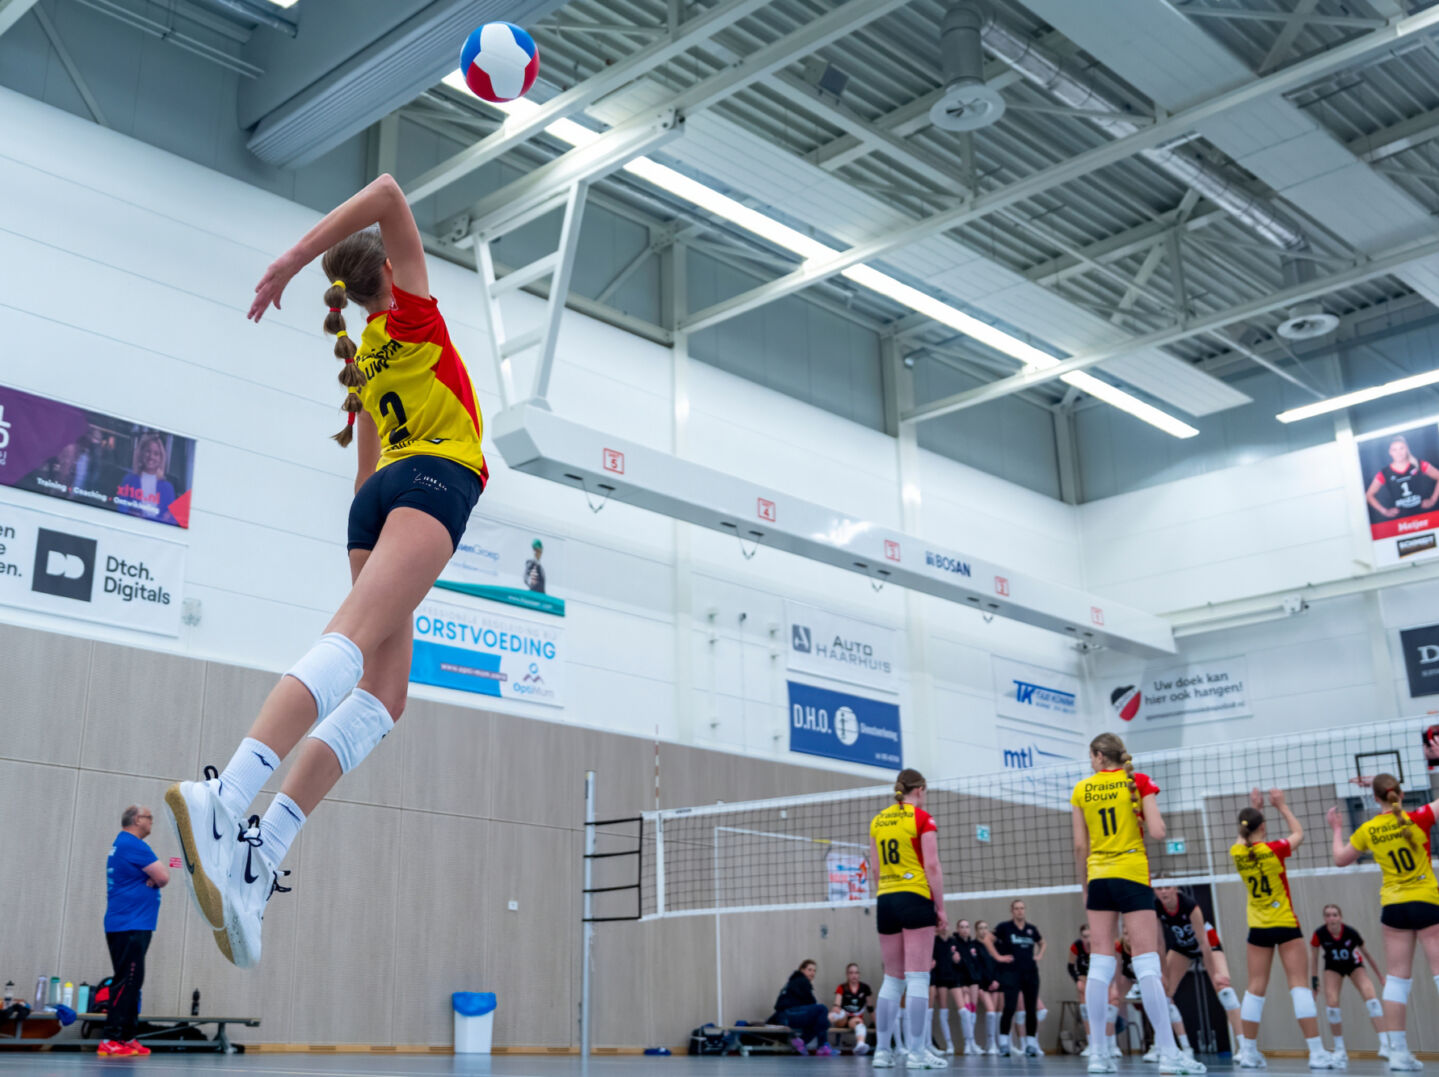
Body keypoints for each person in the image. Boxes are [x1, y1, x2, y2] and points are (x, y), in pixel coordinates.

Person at [164, 173, 488, 969]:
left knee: (382, 696)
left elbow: (364, 478)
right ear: (389, 270)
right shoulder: (410, 318)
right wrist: (292, 257)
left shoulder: (367, 357)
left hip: (376, 505)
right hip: (435, 482)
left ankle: (257, 852)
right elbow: (386, 189)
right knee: (346, 647)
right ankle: (227, 795)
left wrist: (371, 556)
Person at [1072, 731, 1205, 1076]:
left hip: (1099, 876)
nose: (1090, 762)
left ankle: (1099, 1054)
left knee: (1099, 964)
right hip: (1132, 873)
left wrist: (1085, 886)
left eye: (1091, 756)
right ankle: (1167, 1053)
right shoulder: (1139, 781)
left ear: (1100, 756)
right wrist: (1147, 818)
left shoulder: (1081, 790)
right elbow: (1159, 832)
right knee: (1147, 963)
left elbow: (1079, 846)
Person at [1328, 773, 1439, 1073]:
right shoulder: (1419, 817)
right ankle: (1400, 1053)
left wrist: (1337, 829)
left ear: (1375, 799)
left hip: (1394, 908)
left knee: (1397, 981)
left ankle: (1399, 1054)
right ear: (1401, 794)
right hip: (1426, 901)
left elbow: (1340, 859)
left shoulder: (1368, 829)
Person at [1232, 788, 1337, 1070]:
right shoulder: (1274, 850)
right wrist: (1282, 806)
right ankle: (1316, 1053)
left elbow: (1245, 836)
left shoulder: (1237, 852)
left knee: (1254, 989)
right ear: (1263, 827)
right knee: (1299, 987)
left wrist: (1254, 808)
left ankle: (1248, 1052)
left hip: (1258, 927)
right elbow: (1299, 835)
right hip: (1286, 925)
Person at [869, 768, 949, 1070]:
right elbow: (932, 866)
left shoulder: (878, 821)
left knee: (892, 979)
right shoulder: (923, 819)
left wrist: (889, 893)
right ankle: (917, 1052)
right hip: (915, 897)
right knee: (918, 977)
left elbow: (875, 871)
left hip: (886, 899)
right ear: (921, 789)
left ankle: (882, 1052)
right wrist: (940, 908)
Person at [99, 806, 169, 1058]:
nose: (152, 823)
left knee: (133, 981)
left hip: (132, 923)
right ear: (137, 819)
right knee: (126, 981)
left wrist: (148, 879)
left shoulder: (123, 844)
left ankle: (127, 1036)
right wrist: (152, 879)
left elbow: (155, 877)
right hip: (129, 924)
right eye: (149, 818)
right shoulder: (133, 844)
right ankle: (111, 1037)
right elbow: (163, 876)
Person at [1154, 884, 1241, 1055]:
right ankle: (1180, 1047)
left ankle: (1245, 1047)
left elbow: (1203, 942)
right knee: (1163, 993)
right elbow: (1160, 944)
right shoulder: (1156, 907)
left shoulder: (1188, 904)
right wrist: (1163, 973)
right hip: (1183, 947)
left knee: (1224, 989)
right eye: (1159, 888)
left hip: (1208, 943)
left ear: (1175, 889)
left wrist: (1215, 973)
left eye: (1167, 887)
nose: (1163, 891)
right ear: (1155, 892)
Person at [1308, 903, 1389, 1064]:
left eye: (1335, 914)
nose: (1331, 918)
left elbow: (1367, 954)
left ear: (1340, 917)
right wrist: (1314, 981)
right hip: (1333, 967)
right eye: (1328, 915)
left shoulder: (1351, 933)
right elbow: (1314, 957)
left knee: (1371, 998)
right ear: (1325, 919)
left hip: (1354, 965)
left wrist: (1380, 976)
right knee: (1331, 1005)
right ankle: (1340, 1049)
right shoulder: (1319, 934)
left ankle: (1386, 1044)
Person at [986, 898, 1045, 1056]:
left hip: (1030, 973)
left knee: (1031, 1009)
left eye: (1022, 908)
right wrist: (998, 957)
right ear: (1012, 911)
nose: (1020, 911)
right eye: (1017, 908)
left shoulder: (1031, 929)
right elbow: (987, 940)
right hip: (1011, 973)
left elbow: (1043, 942)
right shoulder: (1004, 927)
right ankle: (1004, 1043)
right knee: (1010, 1007)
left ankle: (1031, 1044)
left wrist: (1039, 955)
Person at [1365, 435, 1439, 520]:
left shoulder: (1418, 464)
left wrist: (1433, 500)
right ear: (1390, 452)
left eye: (1401, 448)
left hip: (1424, 516)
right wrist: (1384, 511)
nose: (1398, 452)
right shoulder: (1385, 472)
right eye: (1394, 450)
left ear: (1407, 449)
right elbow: (1369, 495)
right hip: (1401, 521)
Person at [769, 959, 833, 1056]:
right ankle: (819, 1045)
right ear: (802, 970)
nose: (812, 973)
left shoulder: (794, 981)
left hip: (786, 1015)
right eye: (809, 969)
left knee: (822, 1019)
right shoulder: (802, 981)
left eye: (814, 970)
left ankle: (804, 1042)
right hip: (787, 1015)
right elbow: (813, 1003)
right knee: (822, 1010)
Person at [115, 432, 179, 525]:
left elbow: (170, 521)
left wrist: (145, 519)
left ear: (161, 458)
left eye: (156, 454)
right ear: (141, 453)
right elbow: (121, 509)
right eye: (148, 451)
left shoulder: (168, 488)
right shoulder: (128, 480)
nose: (151, 457)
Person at [972, 920, 1004, 1054]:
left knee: (996, 1013)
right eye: (980, 928)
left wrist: (996, 980)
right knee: (990, 1011)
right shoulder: (974, 946)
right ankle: (990, 1043)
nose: (983, 931)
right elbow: (977, 967)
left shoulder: (993, 945)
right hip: (982, 985)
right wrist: (982, 983)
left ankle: (994, 1043)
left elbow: (998, 963)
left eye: (985, 928)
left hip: (995, 983)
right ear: (976, 930)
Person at [931, 918, 962, 1055]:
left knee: (964, 1010)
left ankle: (970, 1042)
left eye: (945, 924)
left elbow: (961, 961)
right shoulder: (934, 941)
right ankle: (949, 1044)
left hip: (953, 977)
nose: (944, 927)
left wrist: (958, 960)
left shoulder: (953, 941)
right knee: (944, 1009)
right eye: (940, 924)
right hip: (940, 979)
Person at [952, 919, 983, 1055]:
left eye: (967, 927)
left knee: (972, 1012)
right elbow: (954, 964)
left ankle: (972, 1043)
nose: (965, 929)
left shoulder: (972, 944)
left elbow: (977, 963)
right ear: (958, 929)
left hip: (974, 981)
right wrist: (961, 983)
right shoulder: (954, 943)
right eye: (962, 927)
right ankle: (967, 1043)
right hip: (962, 981)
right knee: (965, 1012)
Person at [831, 963, 872, 1056]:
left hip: (855, 1019)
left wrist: (877, 1024)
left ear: (859, 974)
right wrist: (836, 1009)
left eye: (856, 973)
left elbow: (870, 1008)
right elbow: (836, 1004)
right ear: (847, 974)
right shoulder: (842, 987)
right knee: (839, 1014)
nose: (854, 975)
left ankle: (860, 1044)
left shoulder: (865, 988)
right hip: (842, 1018)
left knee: (859, 1022)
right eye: (851, 973)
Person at [1069, 924, 1094, 1054]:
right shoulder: (1077, 946)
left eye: (1090, 936)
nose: (1088, 940)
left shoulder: (1100, 945)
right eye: (1084, 937)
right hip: (1084, 980)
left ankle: (1108, 1042)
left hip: (1097, 980)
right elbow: (1070, 967)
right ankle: (1091, 1042)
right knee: (1081, 989)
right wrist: (1078, 978)